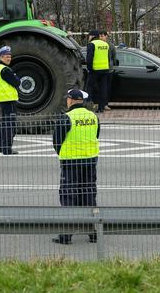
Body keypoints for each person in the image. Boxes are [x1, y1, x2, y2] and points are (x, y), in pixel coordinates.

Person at [51, 88, 100, 245]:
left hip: (71, 161)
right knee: (89, 195)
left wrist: (63, 153)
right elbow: (96, 135)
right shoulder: (93, 116)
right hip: (90, 160)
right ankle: (93, 232)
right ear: (82, 101)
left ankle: (66, 235)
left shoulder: (66, 117)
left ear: (70, 100)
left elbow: (57, 141)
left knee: (68, 196)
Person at [0, 45, 20, 155]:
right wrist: (15, 76)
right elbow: (17, 82)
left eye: (9, 56)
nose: (8, 58)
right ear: (0, 57)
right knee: (10, 125)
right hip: (9, 99)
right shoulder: (5, 70)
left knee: (4, 124)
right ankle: (7, 148)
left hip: (2, 99)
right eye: (6, 56)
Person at [86, 29, 111, 113]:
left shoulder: (92, 44)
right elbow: (108, 57)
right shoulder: (106, 44)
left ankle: (88, 106)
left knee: (89, 88)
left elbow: (89, 59)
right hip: (105, 69)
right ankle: (101, 108)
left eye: (89, 36)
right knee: (103, 89)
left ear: (93, 36)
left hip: (94, 70)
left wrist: (90, 69)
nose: (88, 37)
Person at [99, 31, 116, 108]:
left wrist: (112, 64)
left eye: (102, 36)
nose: (101, 38)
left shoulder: (111, 46)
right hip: (99, 69)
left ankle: (105, 104)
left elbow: (113, 58)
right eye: (100, 36)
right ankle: (100, 104)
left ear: (106, 36)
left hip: (109, 70)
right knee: (101, 87)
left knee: (107, 88)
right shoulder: (97, 45)